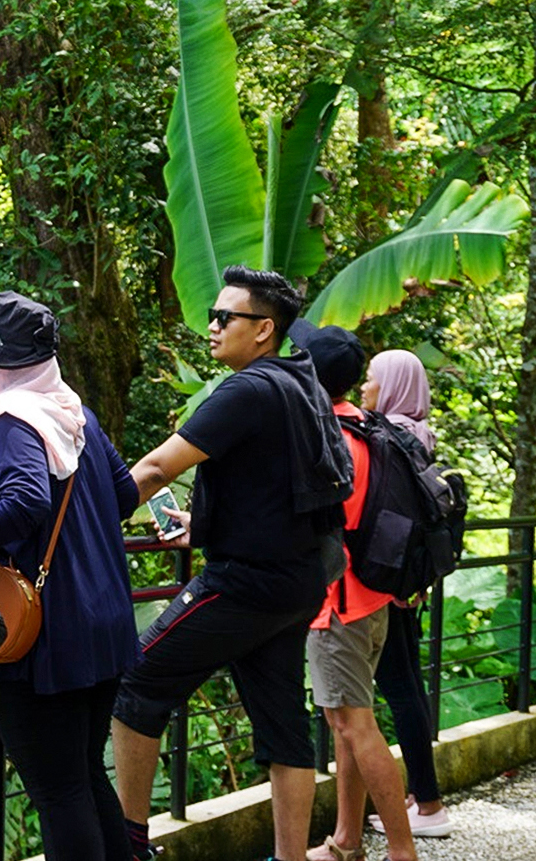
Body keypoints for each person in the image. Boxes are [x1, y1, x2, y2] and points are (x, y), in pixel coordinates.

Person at [111, 266, 352, 861]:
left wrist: (81, 521)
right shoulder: (302, 383)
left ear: (264, 329)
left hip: (245, 582)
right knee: (283, 729)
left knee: (136, 683)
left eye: (226, 318)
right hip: (297, 583)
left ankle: (128, 844)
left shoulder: (246, 389)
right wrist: (207, 524)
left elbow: (155, 470)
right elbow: (279, 484)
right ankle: (291, 857)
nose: (212, 327)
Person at [0, 291, 140, 861]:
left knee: (58, 791)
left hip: (45, 637)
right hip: (102, 623)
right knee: (83, 777)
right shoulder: (73, 414)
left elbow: (25, 498)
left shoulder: (10, 423)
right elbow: (124, 494)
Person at [290, 323, 416, 861]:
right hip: (371, 598)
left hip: (338, 604)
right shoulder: (364, 427)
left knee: (355, 725)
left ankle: (402, 850)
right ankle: (346, 840)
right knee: (345, 724)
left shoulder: (329, 442)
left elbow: (314, 524)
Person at [363, 350, 454, 838]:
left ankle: (431, 805)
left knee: (399, 691)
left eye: (373, 379)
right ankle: (422, 795)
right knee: (410, 687)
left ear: (394, 385)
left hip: (388, 586)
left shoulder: (389, 437)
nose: (365, 388)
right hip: (410, 584)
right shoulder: (419, 432)